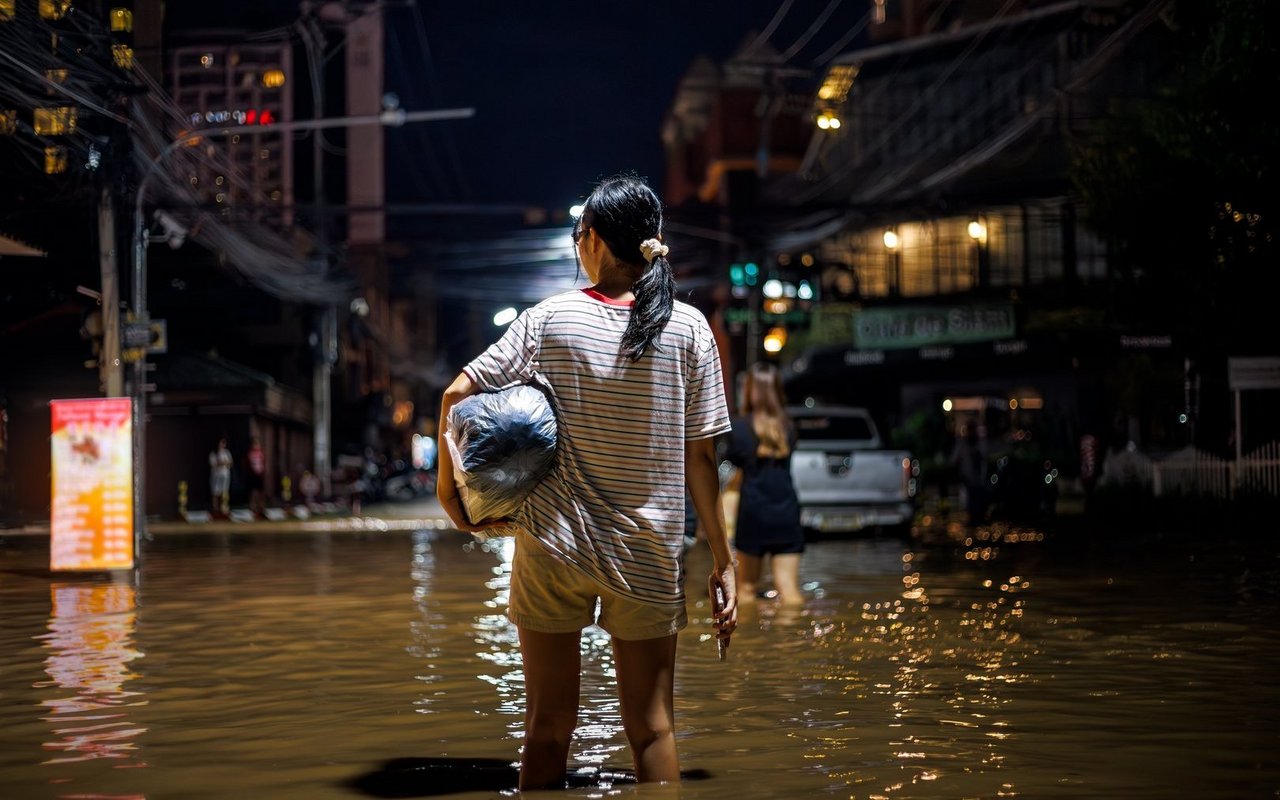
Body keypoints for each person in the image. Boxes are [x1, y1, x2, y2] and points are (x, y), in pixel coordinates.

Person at [436, 174, 738, 791]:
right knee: (653, 730)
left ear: (594, 240)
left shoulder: (549, 319)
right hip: (648, 554)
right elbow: (701, 461)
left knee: (546, 728)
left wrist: (453, 496)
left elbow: (455, 394)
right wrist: (723, 560)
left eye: (579, 236)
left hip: (552, 544)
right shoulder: (690, 329)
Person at [721, 362, 805, 605]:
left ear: (749, 390)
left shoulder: (738, 429)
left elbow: (734, 473)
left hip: (754, 512)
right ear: (777, 390)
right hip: (787, 511)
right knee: (789, 589)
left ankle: (748, 642)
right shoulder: (789, 427)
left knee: (746, 588)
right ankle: (793, 641)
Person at [209, 437, 232, 516]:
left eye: (223, 443)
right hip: (216, 476)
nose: (222, 445)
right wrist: (222, 463)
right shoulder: (213, 453)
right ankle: (215, 509)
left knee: (224, 492)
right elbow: (214, 464)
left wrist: (223, 463)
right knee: (216, 492)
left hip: (225, 475)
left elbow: (230, 463)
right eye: (221, 443)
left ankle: (224, 508)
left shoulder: (226, 452)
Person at [246, 435, 267, 516]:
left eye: (257, 444)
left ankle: (261, 507)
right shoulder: (250, 453)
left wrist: (263, 471)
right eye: (255, 444)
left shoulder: (261, 453)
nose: (256, 445)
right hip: (252, 475)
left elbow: (263, 463)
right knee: (253, 491)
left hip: (260, 474)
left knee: (261, 491)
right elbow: (249, 464)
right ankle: (252, 506)